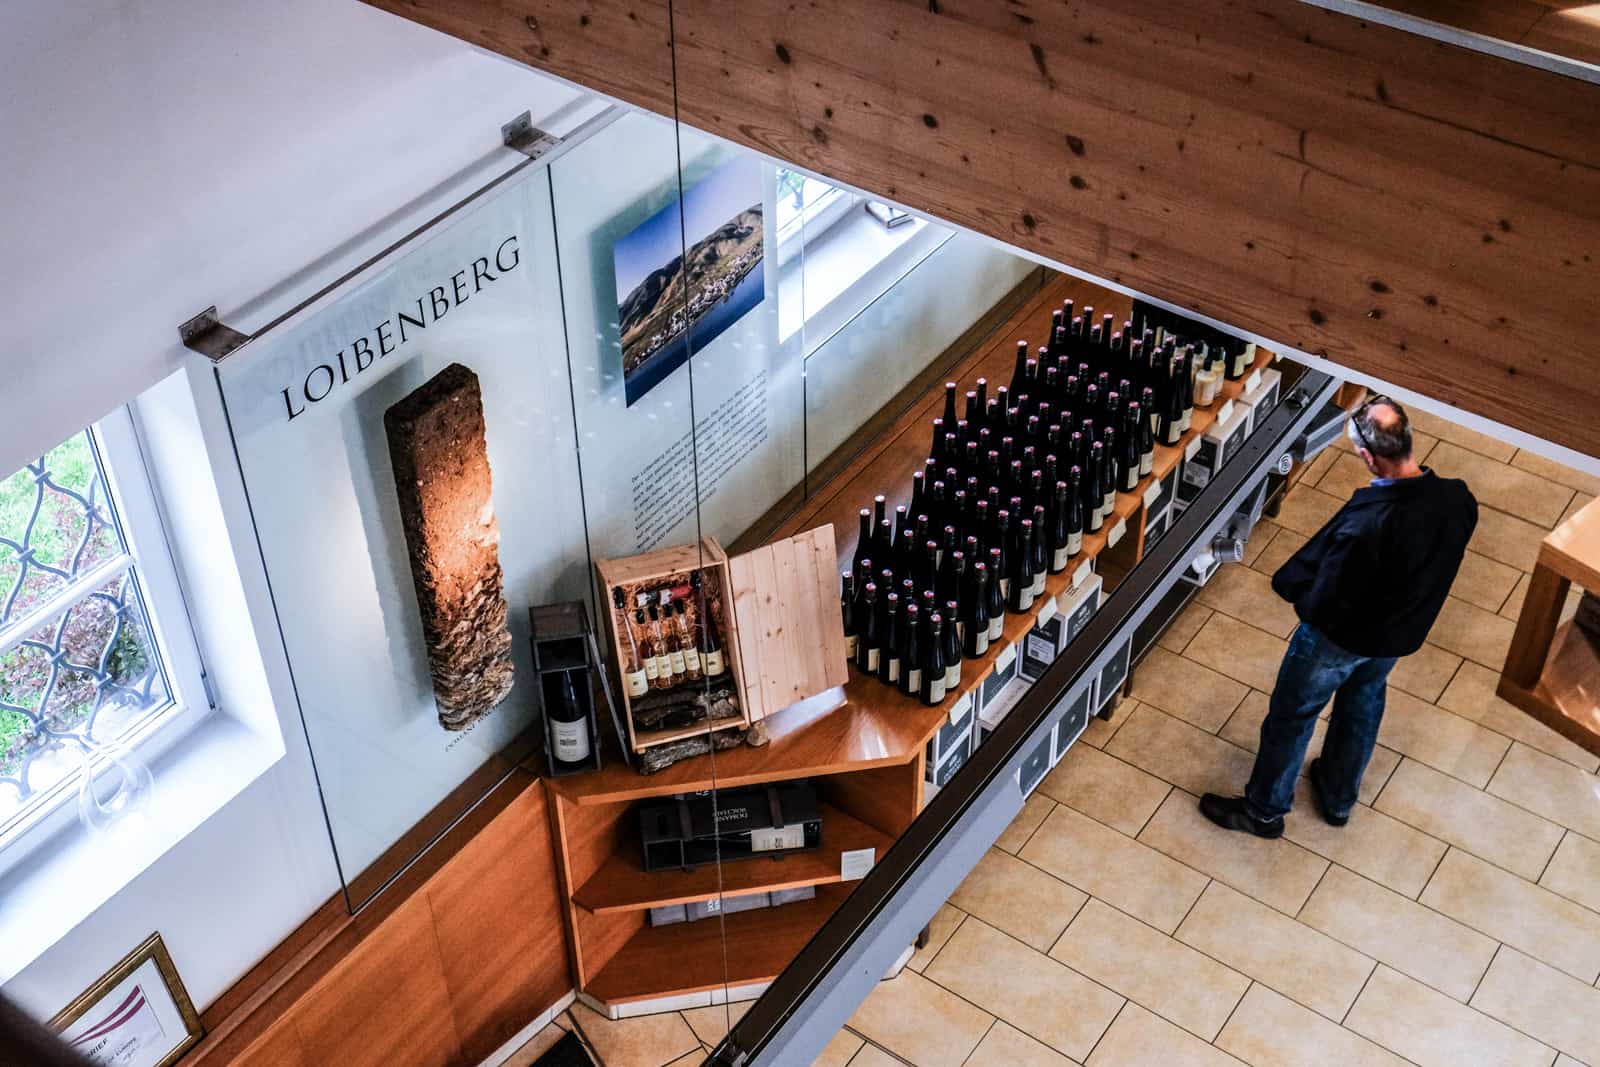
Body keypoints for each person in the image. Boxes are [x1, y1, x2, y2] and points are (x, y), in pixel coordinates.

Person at [1201, 395, 1477, 837]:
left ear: (1368, 456)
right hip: (1396, 637)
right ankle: (1337, 795)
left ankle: (1264, 811)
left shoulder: (1370, 522)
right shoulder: (1458, 499)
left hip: (1339, 639)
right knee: (1363, 703)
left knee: (1294, 714)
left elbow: (1325, 596)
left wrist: (1303, 599)